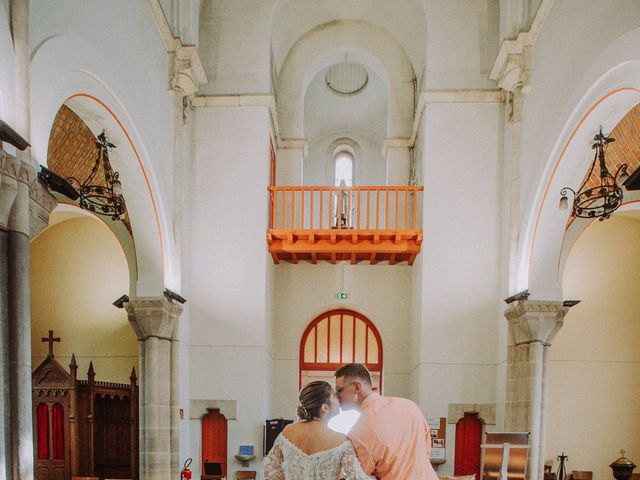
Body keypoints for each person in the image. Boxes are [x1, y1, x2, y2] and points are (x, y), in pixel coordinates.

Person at [335, 363, 439, 480]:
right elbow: (426, 450)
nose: (336, 395)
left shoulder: (359, 431)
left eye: (339, 390)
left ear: (357, 387)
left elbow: (361, 475)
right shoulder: (409, 406)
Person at [264, 380, 374, 480]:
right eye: (335, 396)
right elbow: (357, 478)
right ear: (325, 407)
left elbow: (270, 472)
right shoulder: (341, 440)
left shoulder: (288, 431)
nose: (339, 399)